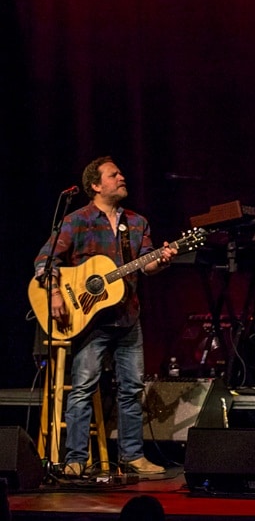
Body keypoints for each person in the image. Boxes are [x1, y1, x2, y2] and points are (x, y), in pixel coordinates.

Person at [33, 156, 177, 477]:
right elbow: (45, 260)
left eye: (121, 173)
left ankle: (132, 456)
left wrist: (162, 259)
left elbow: (147, 265)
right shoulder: (77, 220)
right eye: (114, 175)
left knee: (132, 388)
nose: (122, 177)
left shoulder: (137, 223)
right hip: (90, 321)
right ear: (96, 185)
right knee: (83, 388)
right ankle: (76, 458)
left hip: (128, 317)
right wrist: (55, 293)